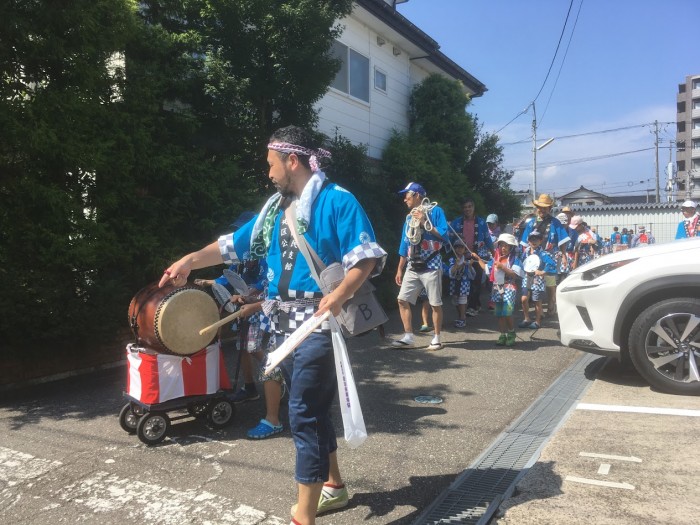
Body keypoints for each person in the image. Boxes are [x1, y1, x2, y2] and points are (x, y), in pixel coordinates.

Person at [160, 125, 387, 525]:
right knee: (312, 410)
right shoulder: (274, 209)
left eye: (271, 165)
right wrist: (189, 260)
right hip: (280, 324)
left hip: (318, 323)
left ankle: (304, 516)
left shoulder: (338, 201)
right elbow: (233, 244)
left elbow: (365, 257)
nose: (268, 173)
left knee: (302, 412)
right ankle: (334, 486)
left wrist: (339, 295)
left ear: (292, 161)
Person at [393, 182, 448, 351]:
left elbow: (444, 235)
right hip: (413, 264)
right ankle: (408, 336)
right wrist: (399, 268)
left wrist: (424, 223)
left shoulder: (435, 212)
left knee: (434, 302)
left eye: (407, 195)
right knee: (402, 299)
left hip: (431, 263)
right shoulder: (409, 217)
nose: (404, 199)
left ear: (417, 195)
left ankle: (437, 337)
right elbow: (405, 244)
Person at [519, 194, 569, 316]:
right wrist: (525, 257)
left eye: (545, 207)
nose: (542, 210)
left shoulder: (555, 222)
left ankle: (551, 303)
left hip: (550, 255)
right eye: (540, 207)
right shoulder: (531, 223)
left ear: (550, 208)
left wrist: (563, 255)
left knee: (550, 281)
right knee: (534, 282)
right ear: (537, 207)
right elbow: (525, 242)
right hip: (533, 256)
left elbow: (562, 240)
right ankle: (537, 308)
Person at [474, 233, 523, 347]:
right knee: (499, 314)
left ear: (511, 247)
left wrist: (503, 267)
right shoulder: (495, 259)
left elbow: (514, 275)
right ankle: (502, 334)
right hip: (497, 288)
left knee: (507, 312)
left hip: (509, 287)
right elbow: (487, 268)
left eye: (506, 245)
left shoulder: (515, 260)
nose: (503, 248)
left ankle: (511, 333)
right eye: (501, 245)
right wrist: (477, 258)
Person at [450, 198, 493, 317]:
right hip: (462, 257)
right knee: (464, 282)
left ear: (473, 208)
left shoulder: (481, 222)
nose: (467, 209)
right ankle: (475, 304)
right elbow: (449, 235)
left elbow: (487, 238)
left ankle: (472, 307)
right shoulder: (457, 222)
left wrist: (494, 253)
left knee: (476, 282)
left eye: (469, 206)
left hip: (477, 256)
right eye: (465, 207)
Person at [518, 230, 556, 330]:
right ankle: (527, 319)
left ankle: (538, 321)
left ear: (541, 240)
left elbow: (552, 264)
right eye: (531, 239)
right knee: (524, 299)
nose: (534, 241)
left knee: (537, 300)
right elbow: (522, 262)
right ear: (528, 240)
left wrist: (543, 272)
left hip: (537, 279)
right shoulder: (525, 251)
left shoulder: (543, 253)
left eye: (537, 239)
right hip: (527, 277)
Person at [444, 242, 476, 328]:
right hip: (454, 283)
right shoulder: (452, 259)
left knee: (462, 300)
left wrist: (469, 266)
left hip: (464, 283)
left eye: (462, 247)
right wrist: (457, 265)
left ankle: (463, 318)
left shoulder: (467, 260)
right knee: (456, 302)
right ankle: (460, 317)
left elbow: (472, 274)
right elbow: (450, 272)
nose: (459, 249)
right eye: (457, 247)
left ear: (465, 249)